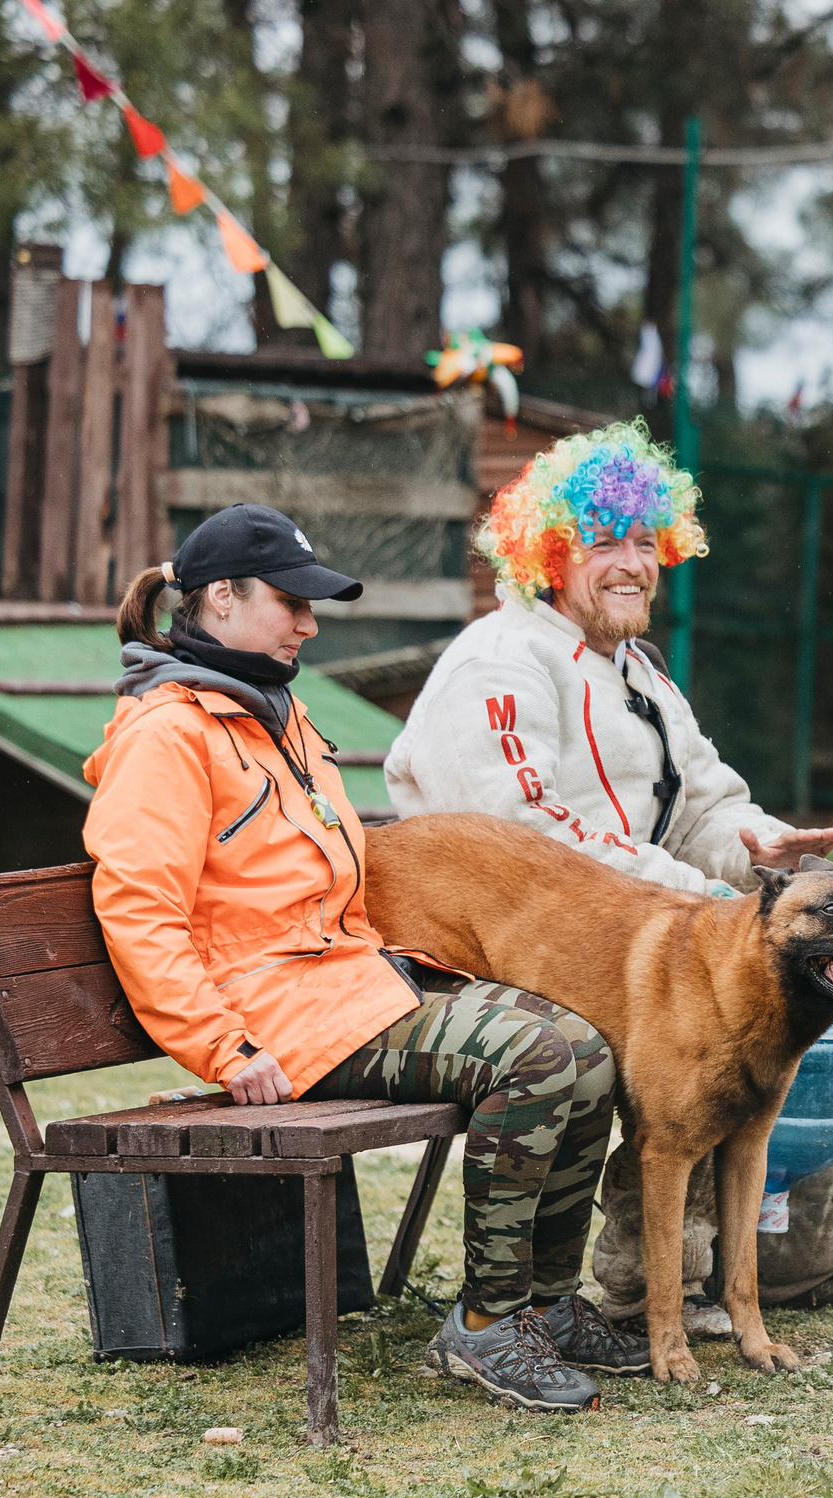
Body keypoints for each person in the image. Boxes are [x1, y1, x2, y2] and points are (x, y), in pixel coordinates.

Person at [83, 503, 652, 1417]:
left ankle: (544, 1305)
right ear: (219, 599)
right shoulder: (168, 732)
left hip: (346, 985)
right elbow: (139, 911)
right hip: (276, 1020)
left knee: (586, 1045)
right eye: (290, 602)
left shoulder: (272, 712)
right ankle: (487, 1323)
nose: (309, 623)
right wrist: (224, 1051)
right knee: (541, 1055)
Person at [386, 421, 833, 1340]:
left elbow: (707, 798)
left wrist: (766, 846)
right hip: (513, 942)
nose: (632, 563)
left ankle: (800, 1266)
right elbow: (517, 832)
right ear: (550, 553)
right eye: (604, 543)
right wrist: (699, 898)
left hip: (651, 918)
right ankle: (649, 1282)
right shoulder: (500, 662)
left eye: (644, 542)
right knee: (706, 1020)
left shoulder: (640, 670)